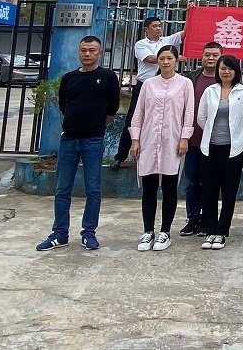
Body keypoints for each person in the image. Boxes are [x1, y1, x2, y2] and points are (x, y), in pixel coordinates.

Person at [37, 36, 120, 251]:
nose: (87, 54)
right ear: (78, 52)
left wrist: (97, 126)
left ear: (99, 53)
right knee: (62, 188)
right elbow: (64, 105)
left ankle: (89, 233)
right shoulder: (69, 78)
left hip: (93, 140)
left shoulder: (107, 77)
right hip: (69, 140)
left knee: (93, 189)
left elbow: (113, 106)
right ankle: (60, 233)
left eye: (92, 50)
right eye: (83, 50)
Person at [129, 44, 194, 252]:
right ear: (157, 61)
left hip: (172, 141)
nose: (165, 62)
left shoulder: (185, 84)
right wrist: (135, 139)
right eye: (162, 58)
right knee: (148, 188)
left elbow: (188, 114)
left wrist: (184, 138)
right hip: (148, 141)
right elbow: (138, 113)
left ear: (176, 60)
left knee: (169, 187)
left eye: (169, 58)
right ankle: (148, 231)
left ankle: (165, 232)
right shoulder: (148, 84)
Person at [196, 55, 243, 250]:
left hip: (232, 150)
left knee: (229, 192)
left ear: (236, 71)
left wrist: (237, 135)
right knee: (209, 191)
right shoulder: (210, 91)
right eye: (223, 68)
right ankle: (210, 230)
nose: (226, 72)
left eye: (230, 68)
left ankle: (221, 232)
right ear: (218, 71)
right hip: (209, 148)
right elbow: (202, 118)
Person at [113, 16, 185, 169]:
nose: (158, 28)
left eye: (159, 25)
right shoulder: (141, 44)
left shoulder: (166, 40)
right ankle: (120, 156)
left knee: (162, 121)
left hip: (165, 85)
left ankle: (158, 156)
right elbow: (150, 59)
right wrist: (172, 58)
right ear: (146, 29)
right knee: (133, 119)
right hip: (144, 85)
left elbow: (185, 33)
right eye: (154, 26)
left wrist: (190, 12)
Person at [178, 41, 223, 237]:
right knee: (192, 182)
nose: (210, 58)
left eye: (215, 55)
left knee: (210, 183)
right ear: (201, 56)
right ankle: (193, 218)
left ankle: (207, 220)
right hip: (193, 140)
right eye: (207, 55)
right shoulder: (191, 78)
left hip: (216, 141)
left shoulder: (225, 78)